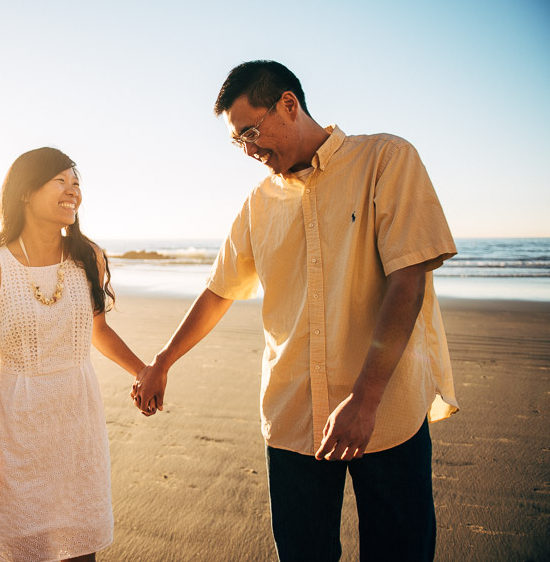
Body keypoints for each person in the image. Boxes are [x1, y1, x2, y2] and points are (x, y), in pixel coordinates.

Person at [131, 60, 459, 562]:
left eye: (252, 132)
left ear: (288, 103)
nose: (249, 149)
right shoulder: (257, 205)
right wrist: (162, 361)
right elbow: (219, 291)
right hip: (293, 420)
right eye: (238, 141)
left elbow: (408, 280)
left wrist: (365, 399)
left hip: (387, 414)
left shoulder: (386, 159)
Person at [0, 147, 145, 562]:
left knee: (81, 549)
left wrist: (142, 369)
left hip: (78, 427)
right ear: (25, 192)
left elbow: (98, 329)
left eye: (76, 183)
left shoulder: (86, 257)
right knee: (23, 549)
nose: (72, 191)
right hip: (17, 431)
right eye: (60, 181)